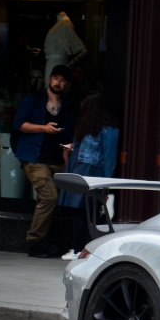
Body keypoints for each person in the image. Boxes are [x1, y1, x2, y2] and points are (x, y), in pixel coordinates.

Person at [13, 64, 75, 257]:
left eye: (63, 80)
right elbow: (19, 125)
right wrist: (44, 128)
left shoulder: (66, 106)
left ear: (67, 84)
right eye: (55, 78)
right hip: (34, 157)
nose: (58, 83)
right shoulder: (34, 99)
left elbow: (67, 136)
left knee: (55, 200)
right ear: (49, 79)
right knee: (49, 197)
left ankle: (47, 241)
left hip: (56, 159)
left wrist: (67, 154)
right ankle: (35, 241)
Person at [57, 94, 120, 260]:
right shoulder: (108, 130)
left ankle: (78, 249)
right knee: (86, 213)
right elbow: (110, 158)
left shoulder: (86, 129)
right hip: (90, 173)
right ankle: (80, 249)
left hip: (81, 171)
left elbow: (106, 157)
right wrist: (107, 184)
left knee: (81, 213)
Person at [44, 10, 86, 82]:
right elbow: (83, 50)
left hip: (58, 62)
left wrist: (69, 64)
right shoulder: (63, 26)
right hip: (56, 63)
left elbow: (83, 50)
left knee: (56, 85)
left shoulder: (65, 25)